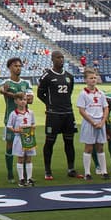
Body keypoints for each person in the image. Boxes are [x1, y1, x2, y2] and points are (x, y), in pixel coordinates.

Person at [37, 49, 78, 180]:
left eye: (62, 57)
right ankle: (47, 170)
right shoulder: (47, 76)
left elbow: (69, 92)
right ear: (52, 59)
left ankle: (71, 168)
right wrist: (49, 105)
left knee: (69, 142)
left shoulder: (69, 77)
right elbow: (40, 93)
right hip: (53, 114)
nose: (61, 60)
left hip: (68, 113)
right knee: (50, 142)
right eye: (58, 58)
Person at [0, 56, 32, 183]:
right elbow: (2, 90)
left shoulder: (26, 83)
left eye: (19, 66)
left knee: (25, 147)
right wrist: (18, 95)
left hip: (25, 120)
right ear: (9, 68)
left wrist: (12, 95)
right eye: (15, 66)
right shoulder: (6, 82)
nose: (18, 68)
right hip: (10, 119)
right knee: (9, 145)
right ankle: (10, 173)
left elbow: (30, 100)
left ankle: (24, 175)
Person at [76, 69, 109, 181]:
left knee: (100, 146)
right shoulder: (83, 94)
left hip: (100, 122)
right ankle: (87, 172)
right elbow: (81, 110)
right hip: (90, 123)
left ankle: (104, 171)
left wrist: (103, 121)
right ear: (85, 80)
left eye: (94, 78)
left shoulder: (101, 93)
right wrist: (93, 122)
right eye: (91, 78)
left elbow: (105, 108)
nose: (93, 80)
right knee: (89, 147)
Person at [6, 93, 37, 186]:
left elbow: (34, 123)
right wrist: (16, 130)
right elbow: (9, 126)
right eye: (21, 100)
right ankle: (21, 179)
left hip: (29, 138)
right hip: (19, 138)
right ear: (16, 101)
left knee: (29, 158)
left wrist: (32, 127)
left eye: (24, 100)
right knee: (20, 158)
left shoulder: (30, 112)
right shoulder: (13, 113)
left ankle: (29, 178)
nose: (23, 101)